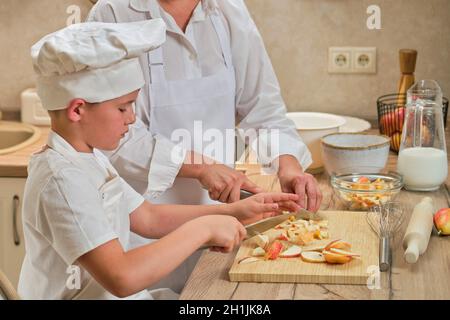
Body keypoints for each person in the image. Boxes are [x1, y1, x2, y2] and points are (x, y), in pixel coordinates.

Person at [18, 20, 300, 300]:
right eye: (123, 107)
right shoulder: (61, 180)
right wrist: (203, 230)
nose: (131, 118)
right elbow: (121, 277)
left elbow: (148, 218)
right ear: (78, 110)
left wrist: (235, 212)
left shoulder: (89, 158)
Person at [88, 0, 323, 292]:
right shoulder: (112, 13)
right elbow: (115, 136)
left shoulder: (228, 10)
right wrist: (201, 168)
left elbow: (263, 108)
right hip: (142, 232)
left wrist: (289, 166)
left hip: (222, 221)